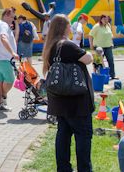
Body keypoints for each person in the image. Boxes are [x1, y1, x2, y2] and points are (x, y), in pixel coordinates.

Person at [42, 14, 94, 172]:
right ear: (63, 27)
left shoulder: (50, 47)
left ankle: (63, 169)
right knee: (83, 138)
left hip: (60, 103)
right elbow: (88, 58)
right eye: (69, 25)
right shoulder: (67, 45)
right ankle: (84, 169)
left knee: (63, 136)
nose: (71, 28)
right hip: (77, 103)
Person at [0, 8, 18, 111]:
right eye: (12, 17)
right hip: (4, 58)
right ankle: (3, 97)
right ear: (6, 15)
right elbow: (3, 38)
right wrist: (12, 53)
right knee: (10, 80)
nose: (13, 20)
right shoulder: (3, 25)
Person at [89, 15, 117, 80]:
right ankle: (97, 75)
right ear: (101, 19)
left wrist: (111, 43)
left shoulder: (108, 26)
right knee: (97, 62)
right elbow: (90, 35)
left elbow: (110, 36)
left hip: (108, 46)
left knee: (111, 61)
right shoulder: (97, 26)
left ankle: (112, 75)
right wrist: (91, 46)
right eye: (104, 19)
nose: (105, 20)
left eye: (106, 19)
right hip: (99, 47)